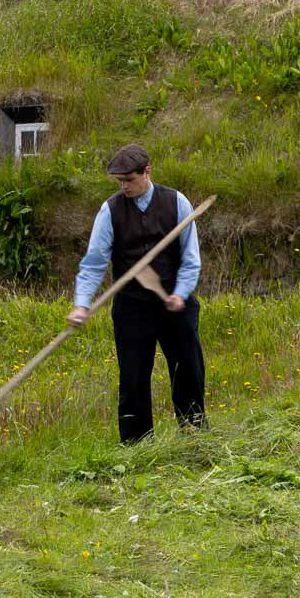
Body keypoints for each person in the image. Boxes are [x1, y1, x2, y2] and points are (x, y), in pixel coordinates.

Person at [67, 143, 207, 444]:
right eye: (119, 181)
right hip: (132, 307)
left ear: (147, 172)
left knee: (188, 371)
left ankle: (195, 437)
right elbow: (94, 263)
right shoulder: (110, 211)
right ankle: (136, 446)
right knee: (133, 378)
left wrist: (180, 293)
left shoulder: (177, 203)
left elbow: (190, 259)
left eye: (129, 180)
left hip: (175, 304)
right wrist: (82, 304)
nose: (124, 186)